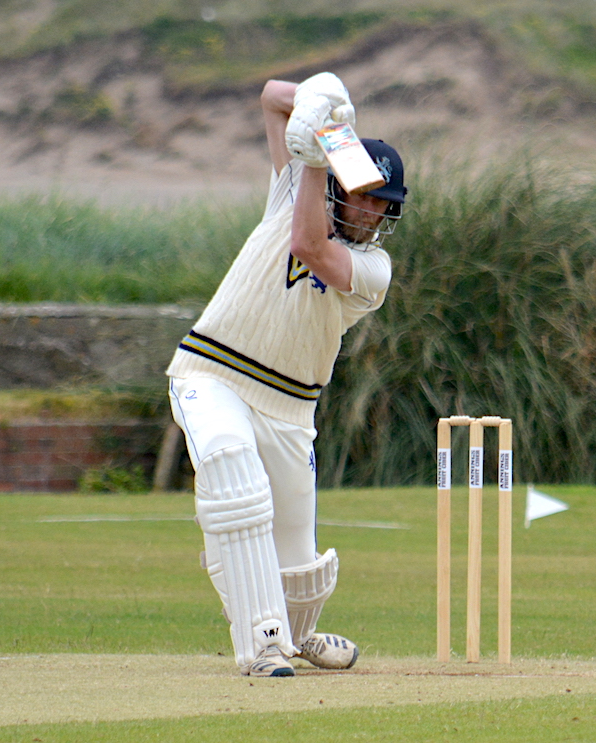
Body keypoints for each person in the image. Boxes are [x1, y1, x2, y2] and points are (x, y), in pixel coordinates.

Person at [166, 72, 407, 677]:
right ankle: (262, 644)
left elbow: (309, 245)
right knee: (229, 466)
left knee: (301, 569)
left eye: (384, 203)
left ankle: (297, 635)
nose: (373, 211)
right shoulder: (290, 187)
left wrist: (317, 156)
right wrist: (325, 111)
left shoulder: (373, 269)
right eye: (367, 195)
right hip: (212, 371)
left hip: (291, 407)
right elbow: (273, 96)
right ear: (345, 185)